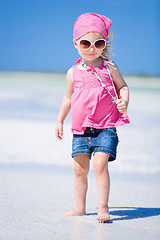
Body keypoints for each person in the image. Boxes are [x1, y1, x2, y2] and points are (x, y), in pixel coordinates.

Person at [55, 12, 130, 222]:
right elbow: (68, 98)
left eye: (98, 43)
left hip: (106, 127)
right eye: (86, 43)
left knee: (99, 165)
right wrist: (60, 119)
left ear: (104, 45)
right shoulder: (73, 72)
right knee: (80, 170)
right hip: (80, 130)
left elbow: (123, 87)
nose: (92, 48)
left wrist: (125, 101)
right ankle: (80, 207)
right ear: (76, 43)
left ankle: (103, 207)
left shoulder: (110, 67)